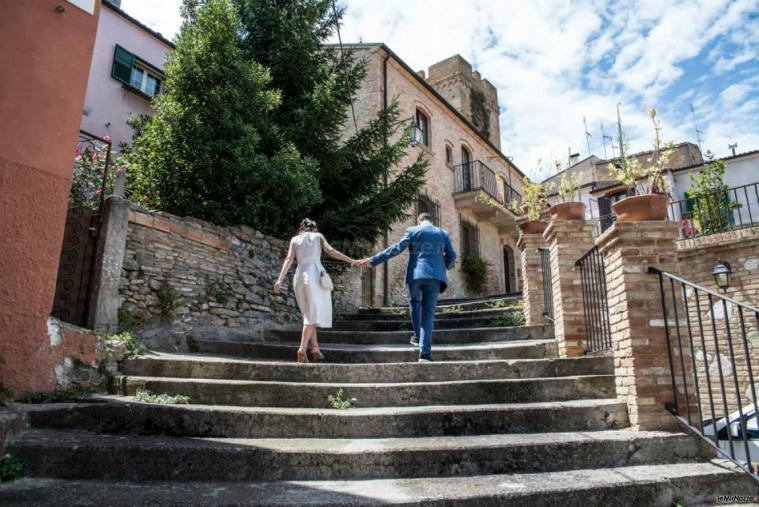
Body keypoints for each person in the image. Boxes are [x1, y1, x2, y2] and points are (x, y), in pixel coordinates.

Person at [359, 213, 456, 362]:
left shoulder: (412, 231)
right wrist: (445, 266)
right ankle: (424, 354)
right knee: (428, 314)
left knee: (415, 304)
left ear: (419, 221)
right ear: (432, 220)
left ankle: (417, 336)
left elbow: (396, 248)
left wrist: (372, 261)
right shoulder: (443, 233)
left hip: (416, 275)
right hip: (435, 277)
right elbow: (452, 257)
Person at [274, 218, 359, 363]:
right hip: (314, 275)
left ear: (301, 229)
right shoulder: (318, 236)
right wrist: (352, 260)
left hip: (299, 276)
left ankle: (315, 349)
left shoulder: (295, 240)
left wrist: (280, 279)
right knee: (312, 314)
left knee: (308, 314)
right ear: (314, 229)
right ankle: (302, 348)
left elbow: (289, 259)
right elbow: (331, 251)